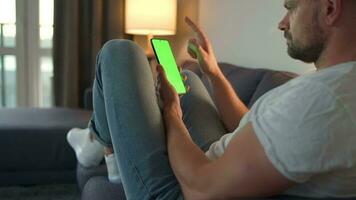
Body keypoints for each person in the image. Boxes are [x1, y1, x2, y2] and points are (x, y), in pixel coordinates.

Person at [87, 0, 356, 199]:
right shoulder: (336, 85)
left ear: (330, 8)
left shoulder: (324, 101)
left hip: (187, 189)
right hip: (221, 163)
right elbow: (250, 128)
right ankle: (95, 140)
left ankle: (100, 145)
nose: (282, 22)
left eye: (292, 7)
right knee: (189, 81)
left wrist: (172, 112)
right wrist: (213, 73)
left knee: (120, 53)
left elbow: (201, 189)